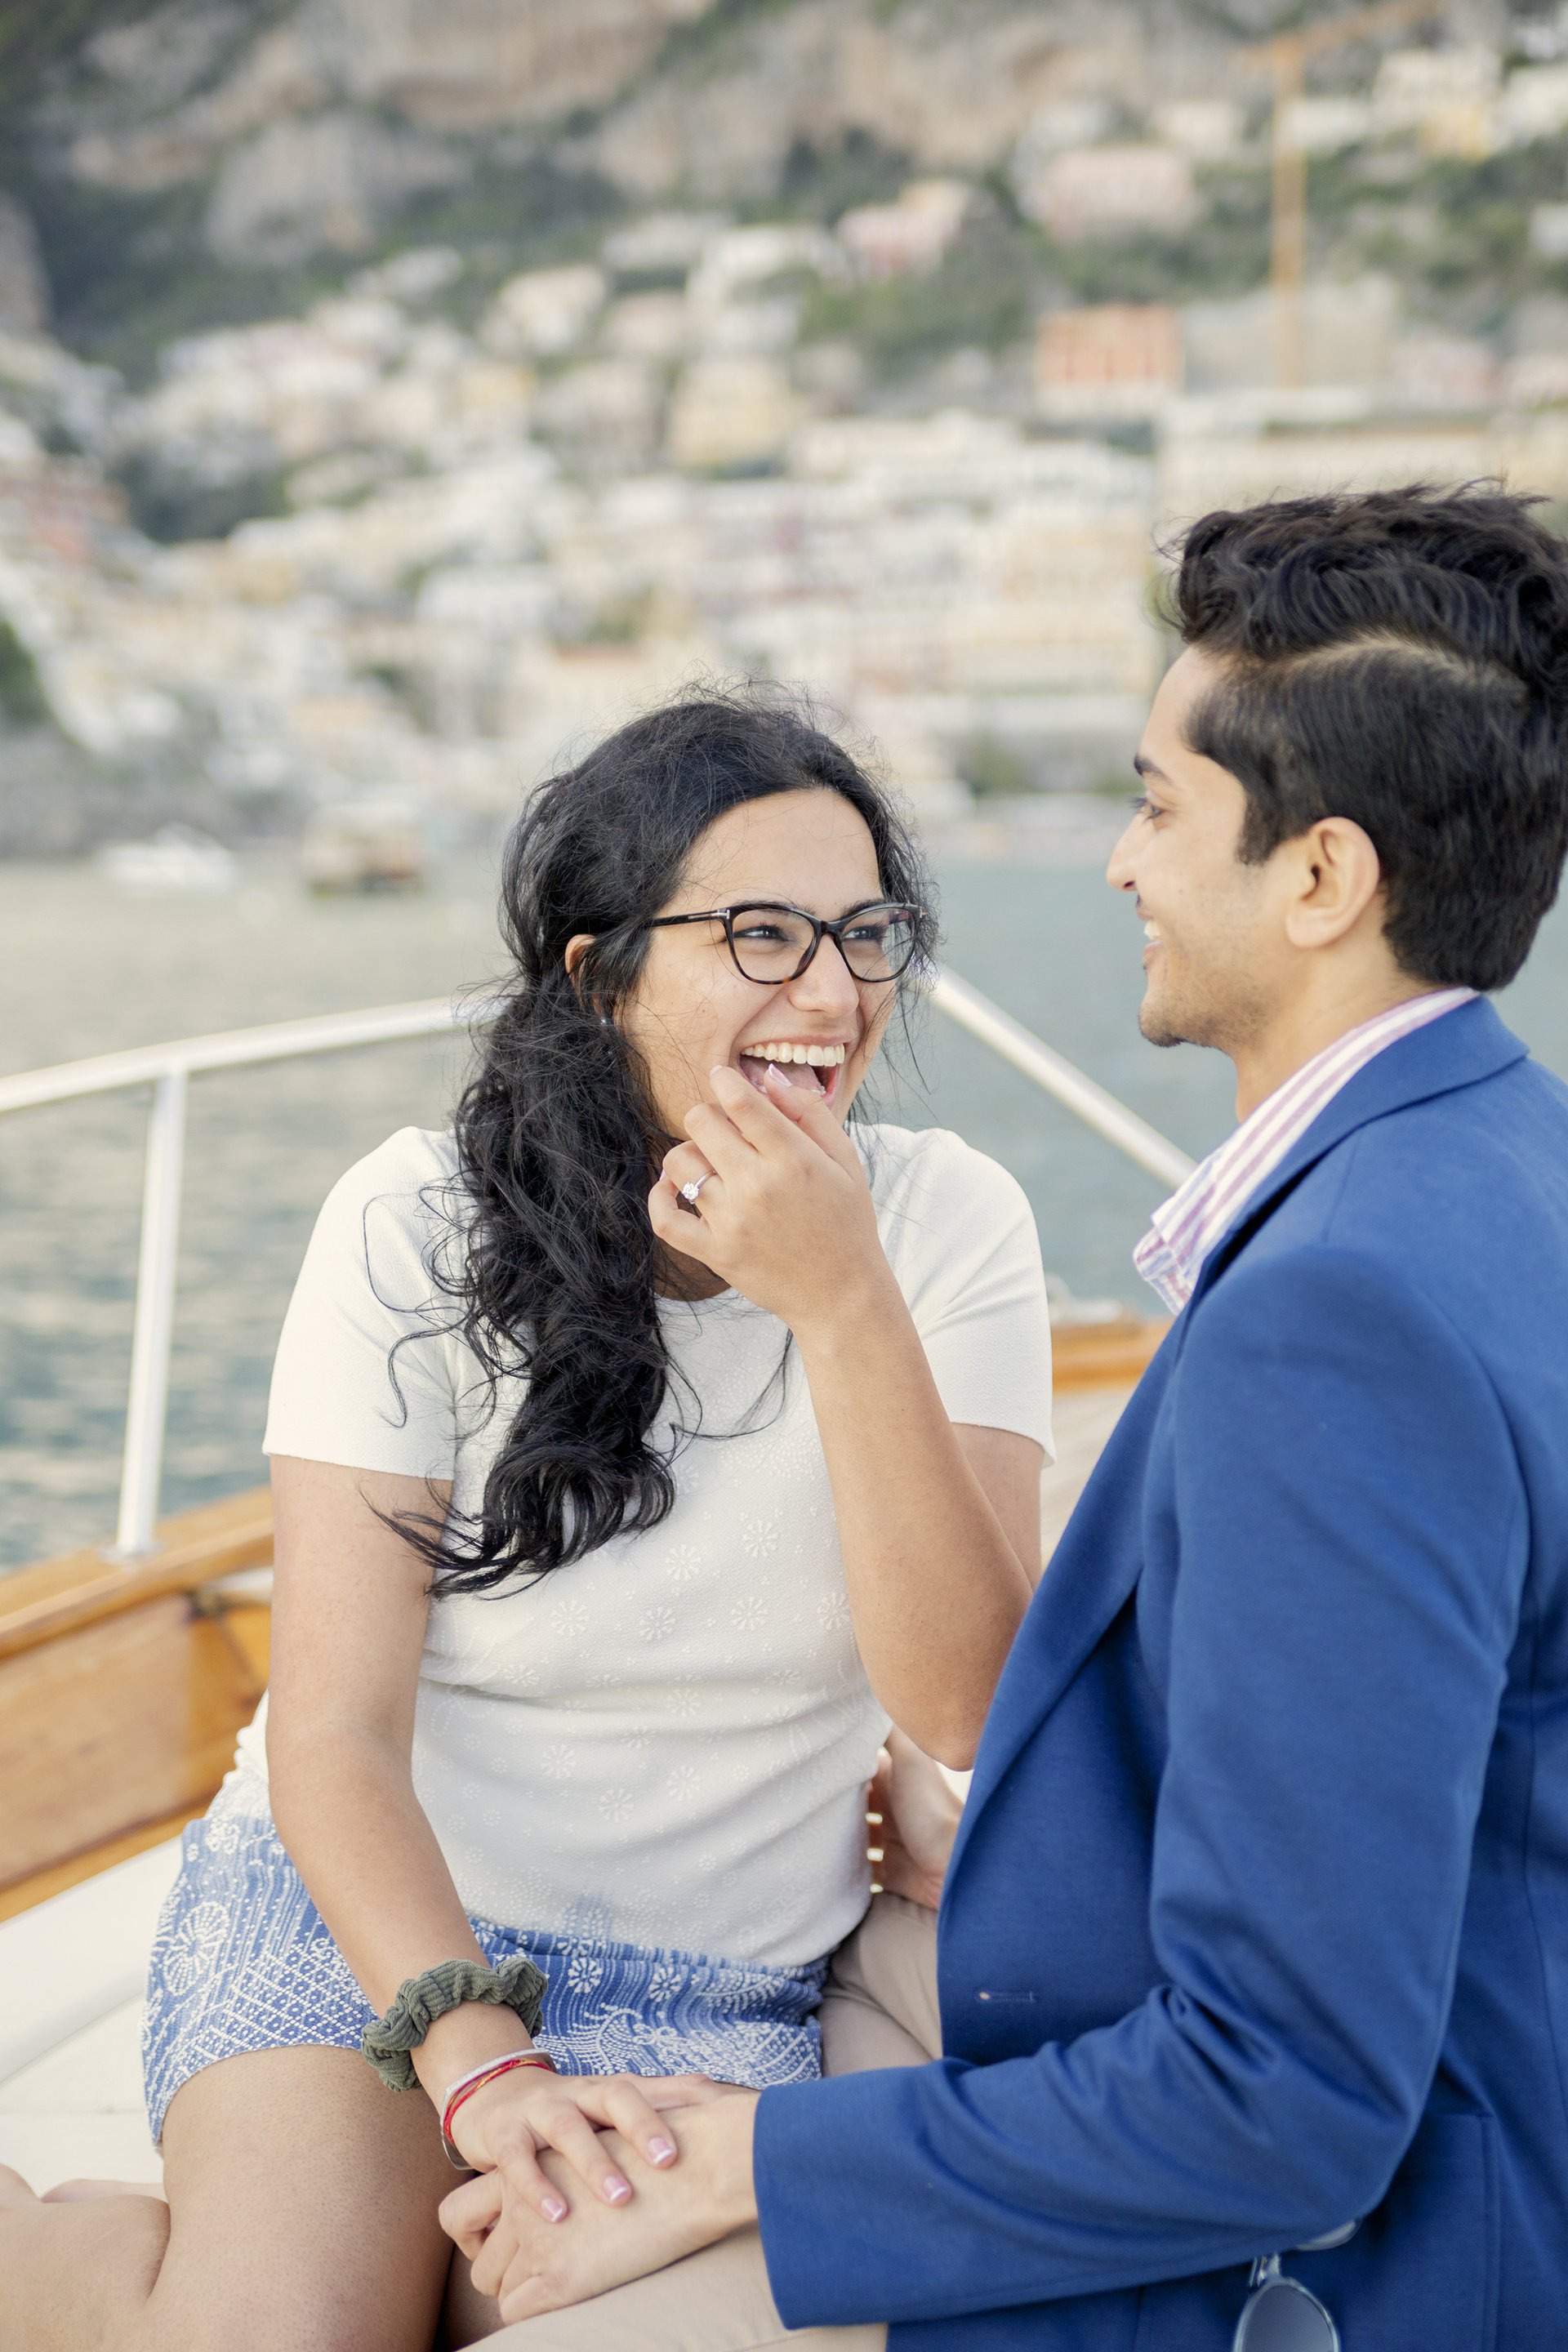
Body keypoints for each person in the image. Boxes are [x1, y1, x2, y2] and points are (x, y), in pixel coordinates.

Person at [452, 484, 1568, 2351]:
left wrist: (758, 2163)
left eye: (1153, 805)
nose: (1120, 867)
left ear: (1320, 880)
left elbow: (1284, 2106)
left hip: (1360, 2271)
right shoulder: (1502, 1164)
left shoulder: (1334, 1320)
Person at [0, 693, 1054, 2352]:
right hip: (370, 1925)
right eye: (762, 935)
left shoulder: (945, 1226)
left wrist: (845, 1305)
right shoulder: (411, 1220)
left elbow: (974, 1705)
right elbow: (333, 1736)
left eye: (866, 935)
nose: (835, 992)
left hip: (717, 1992)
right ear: (602, 970)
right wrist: (476, 2057)